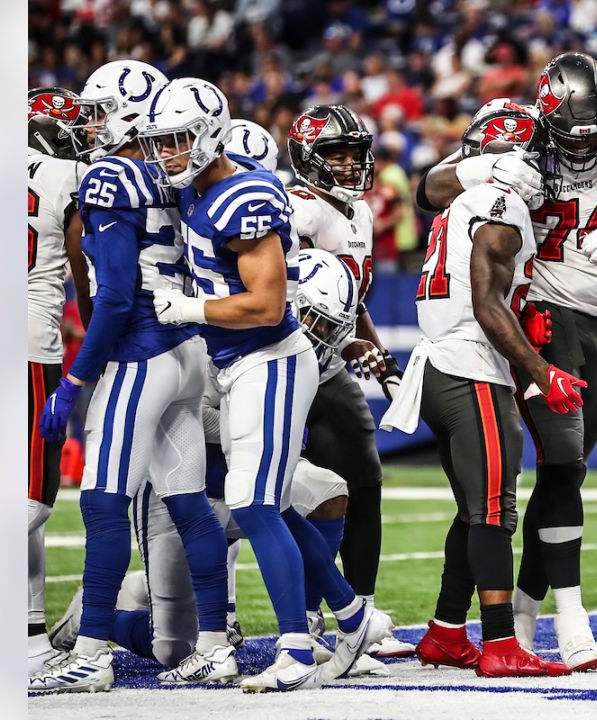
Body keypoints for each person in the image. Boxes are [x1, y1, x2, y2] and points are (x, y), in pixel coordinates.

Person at [418, 52, 597, 670]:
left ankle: (524, 607)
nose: (582, 150)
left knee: (569, 471)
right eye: (568, 137)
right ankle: (570, 617)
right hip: (549, 313)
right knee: (559, 461)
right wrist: (491, 166)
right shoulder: (525, 136)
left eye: (596, 133)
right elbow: (429, 189)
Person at [137, 77, 384, 691]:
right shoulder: (206, 185)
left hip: (268, 360)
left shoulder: (240, 197)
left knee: (252, 502)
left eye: (179, 139)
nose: (167, 152)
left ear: (210, 134)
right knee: (263, 500)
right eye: (160, 141)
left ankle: (299, 653)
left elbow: (269, 305)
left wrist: (189, 310)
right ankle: (352, 617)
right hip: (237, 364)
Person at [30, 63, 235, 693]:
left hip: (137, 353)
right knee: (188, 501)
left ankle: (91, 652)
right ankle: (214, 646)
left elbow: (114, 296)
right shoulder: (171, 172)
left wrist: (75, 377)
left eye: (98, 110)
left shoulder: (113, 173)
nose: (89, 124)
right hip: (185, 350)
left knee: (102, 501)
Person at [382, 104, 577, 676]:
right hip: (471, 366)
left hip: (446, 364)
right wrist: (544, 371)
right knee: (494, 510)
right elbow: (488, 305)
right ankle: (499, 644)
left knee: (474, 511)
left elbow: (435, 187)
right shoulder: (503, 201)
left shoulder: (460, 199)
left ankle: (445, 631)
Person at [284, 104, 415, 658]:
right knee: (276, 494)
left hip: (329, 363)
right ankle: (306, 617)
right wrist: (344, 343)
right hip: (284, 360)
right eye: (334, 153)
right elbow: (282, 292)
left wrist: (374, 350)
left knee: (362, 483)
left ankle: (358, 611)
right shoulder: (297, 210)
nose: (347, 164)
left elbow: (349, 299)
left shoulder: (358, 213)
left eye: (353, 153)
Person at [25, 86, 90, 677]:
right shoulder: (68, 173)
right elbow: (84, 262)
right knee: (31, 502)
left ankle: (28, 637)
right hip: (26, 345)